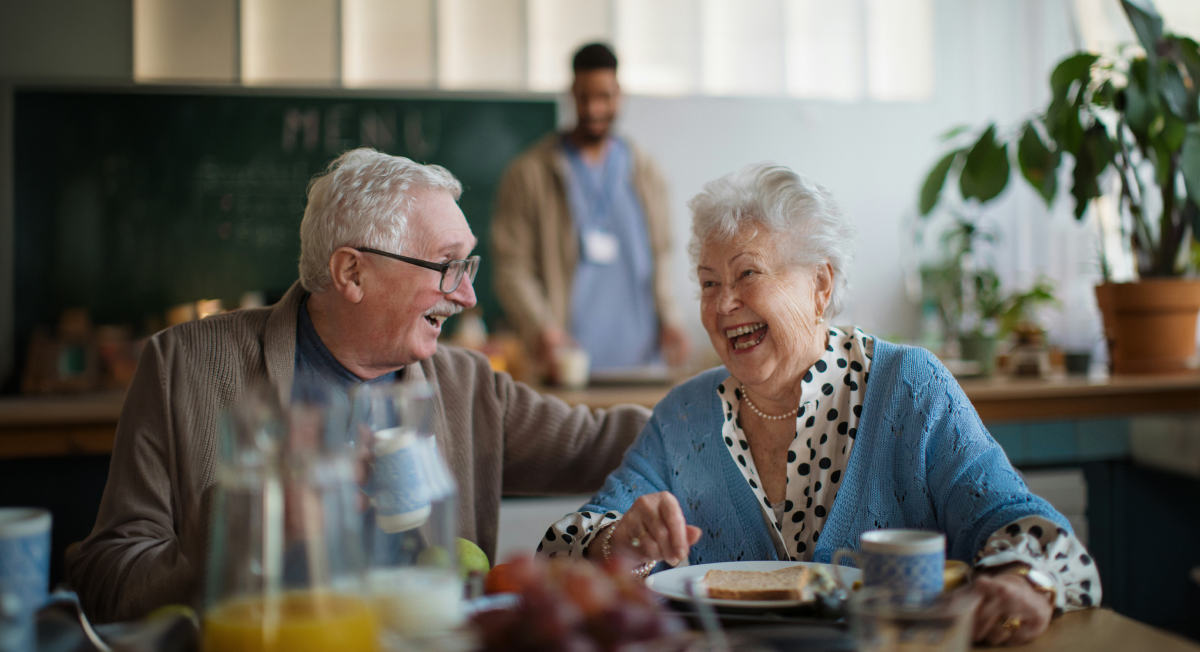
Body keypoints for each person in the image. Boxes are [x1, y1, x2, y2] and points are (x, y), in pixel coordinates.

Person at [67, 149, 651, 623]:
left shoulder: (466, 384)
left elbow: (609, 441)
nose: (468, 295)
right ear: (352, 272)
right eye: (447, 266)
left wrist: (735, 400)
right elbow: (107, 583)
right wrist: (237, 536)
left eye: (468, 268)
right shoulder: (184, 367)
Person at [539, 164, 1101, 646]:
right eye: (709, 283)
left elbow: (1014, 518)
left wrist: (1025, 579)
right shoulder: (683, 415)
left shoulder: (911, 388)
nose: (723, 303)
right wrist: (619, 541)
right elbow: (567, 547)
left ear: (821, 285)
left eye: (747, 274)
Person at [491, 42, 690, 375]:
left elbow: (662, 257)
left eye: (605, 97)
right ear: (571, 94)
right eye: (585, 98)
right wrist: (541, 327)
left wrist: (671, 319)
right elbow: (511, 267)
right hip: (566, 368)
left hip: (643, 367)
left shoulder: (647, 173)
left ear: (620, 94)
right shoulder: (529, 175)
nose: (595, 108)